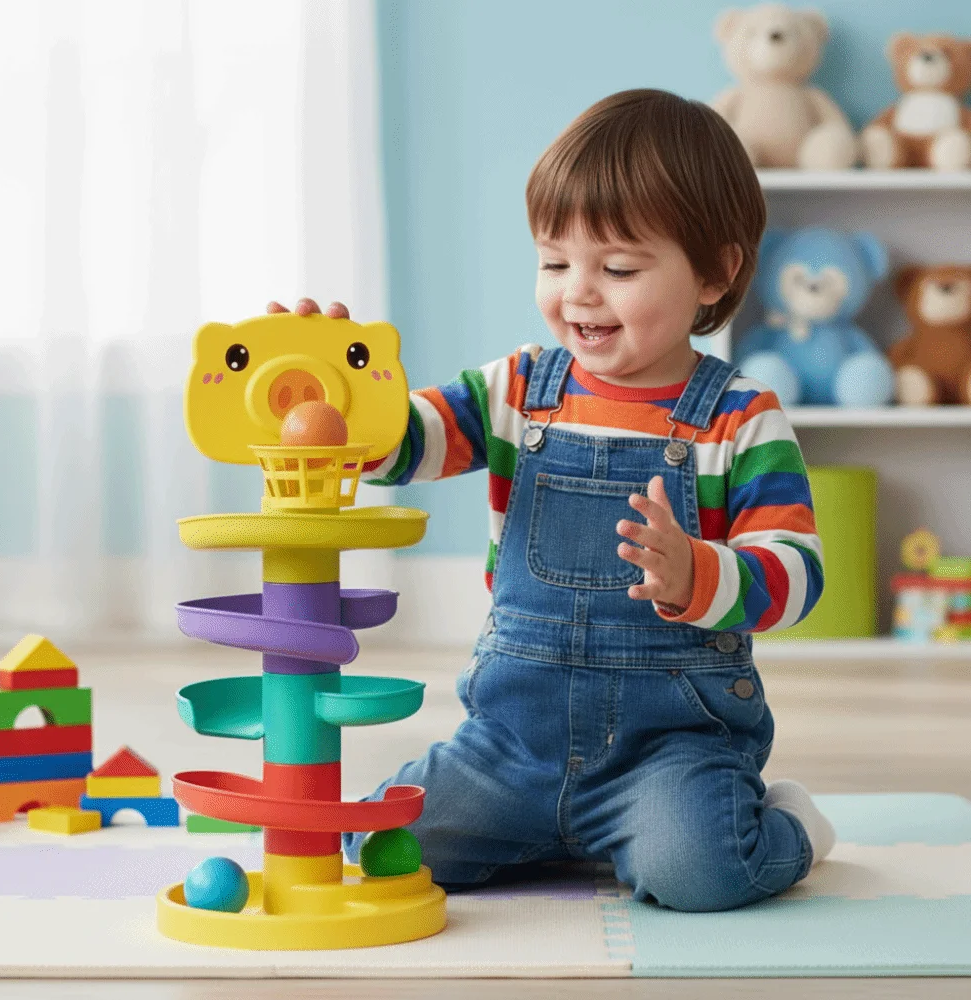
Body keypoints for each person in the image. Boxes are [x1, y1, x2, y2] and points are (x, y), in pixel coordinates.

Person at [270, 88, 835, 912]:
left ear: (716, 272)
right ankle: (548, 827)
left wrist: (701, 574)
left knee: (703, 871)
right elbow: (406, 442)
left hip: (670, 752)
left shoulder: (740, 418)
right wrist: (336, 395)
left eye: (618, 269)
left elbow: (799, 571)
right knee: (390, 847)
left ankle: (789, 826)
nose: (579, 293)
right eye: (555, 262)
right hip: (512, 747)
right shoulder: (516, 388)